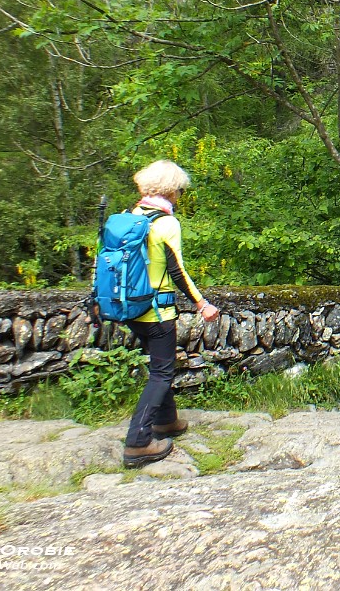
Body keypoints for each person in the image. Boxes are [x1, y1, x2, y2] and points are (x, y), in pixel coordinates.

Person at [122, 160, 221, 469]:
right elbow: (177, 271)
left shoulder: (129, 217)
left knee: (158, 366)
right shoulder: (165, 223)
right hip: (158, 311)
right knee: (163, 373)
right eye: (180, 190)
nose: (181, 195)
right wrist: (202, 303)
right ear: (170, 190)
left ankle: (166, 422)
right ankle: (138, 442)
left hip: (131, 309)